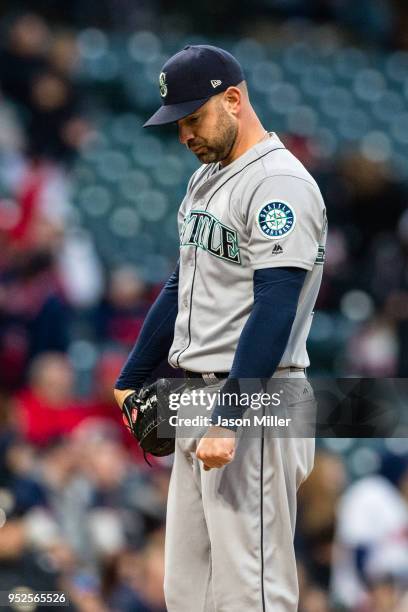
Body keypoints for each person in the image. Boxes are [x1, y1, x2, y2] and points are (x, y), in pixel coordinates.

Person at [114, 44, 327, 611]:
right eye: (177, 123)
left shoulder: (279, 183)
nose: (184, 134)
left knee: (249, 590)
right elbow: (180, 281)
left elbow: (276, 304)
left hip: (254, 398)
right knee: (189, 592)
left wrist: (230, 417)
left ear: (233, 99)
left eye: (193, 118)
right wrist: (133, 372)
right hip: (195, 396)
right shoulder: (208, 178)